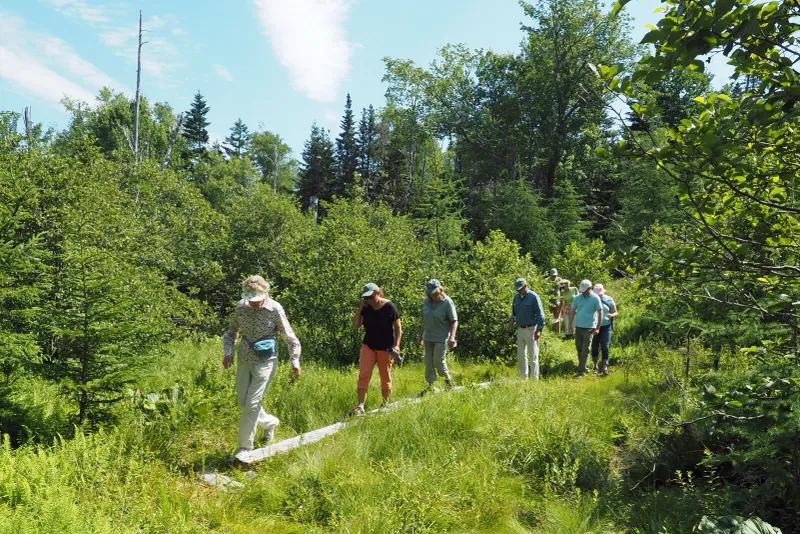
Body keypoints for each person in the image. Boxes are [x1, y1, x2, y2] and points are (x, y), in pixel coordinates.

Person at [222, 275, 302, 461]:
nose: (254, 304)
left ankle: (244, 447)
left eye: (257, 300)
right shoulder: (241, 307)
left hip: (266, 361)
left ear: (264, 293)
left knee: (252, 403)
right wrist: (228, 353)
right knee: (243, 401)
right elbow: (231, 333)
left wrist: (294, 362)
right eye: (251, 300)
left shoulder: (274, 308)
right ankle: (269, 423)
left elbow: (289, 336)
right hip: (244, 358)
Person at [351, 283, 402, 415]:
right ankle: (360, 406)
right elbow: (355, 325)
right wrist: (360, 308)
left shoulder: (389, 307)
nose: (369, 300)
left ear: (378, 292)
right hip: (368, 345)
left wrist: (396, 345)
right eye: (366, 298)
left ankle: (385, 404)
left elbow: (398, 328)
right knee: (364, 374)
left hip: (386, 348)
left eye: (371, 297)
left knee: (385, 376)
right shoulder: (366, 307)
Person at [420, 278, 458, 391]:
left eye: (434, 292)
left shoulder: (447, 302)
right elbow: (425, 318)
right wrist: (421, 334)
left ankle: (448, 380)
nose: (432, 294)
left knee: (438, 360)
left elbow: (454, 321)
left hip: (441, 337)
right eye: (430, 292)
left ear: (440, 289)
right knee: (428, 362)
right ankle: (430, 386)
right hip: (428, 336)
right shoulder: (426, 302)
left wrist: (452, 337)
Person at [508, 277, 546, 380]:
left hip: (531, 329)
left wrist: (539, 330)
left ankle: (534, 379)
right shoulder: (516, 297)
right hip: (520, 329)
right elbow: (514, 313)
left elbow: (541, 315)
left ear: (526, 286)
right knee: (521, 355)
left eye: (520, 289)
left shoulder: (533, 297)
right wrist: (512, 319)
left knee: (533, 356)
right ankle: (523, 378)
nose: (518, 291)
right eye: (517, 289)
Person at [570, 279, 603, 377]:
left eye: (585, 291)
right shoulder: (577, 297)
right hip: (579, 326)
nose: (583, 292)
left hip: (590, 327)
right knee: (579, 348)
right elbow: (572, 311)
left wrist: (598, 327)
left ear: (590, 288)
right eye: (582, 291)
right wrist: (570, 325)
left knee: (585, 349)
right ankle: (584, 367)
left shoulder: (595, 298)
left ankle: (581, 372)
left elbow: (600, 312)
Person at [591, 284, 618, 376]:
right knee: (594, 345)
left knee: (605, 346)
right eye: (597, 294)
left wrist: (612, 315)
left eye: (600, 294)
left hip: (607, 326)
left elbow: (615, 312)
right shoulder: (592, 299)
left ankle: (605, 366)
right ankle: (595, 365)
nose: (599, 295)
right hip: (594, 326)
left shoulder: (609, 299)